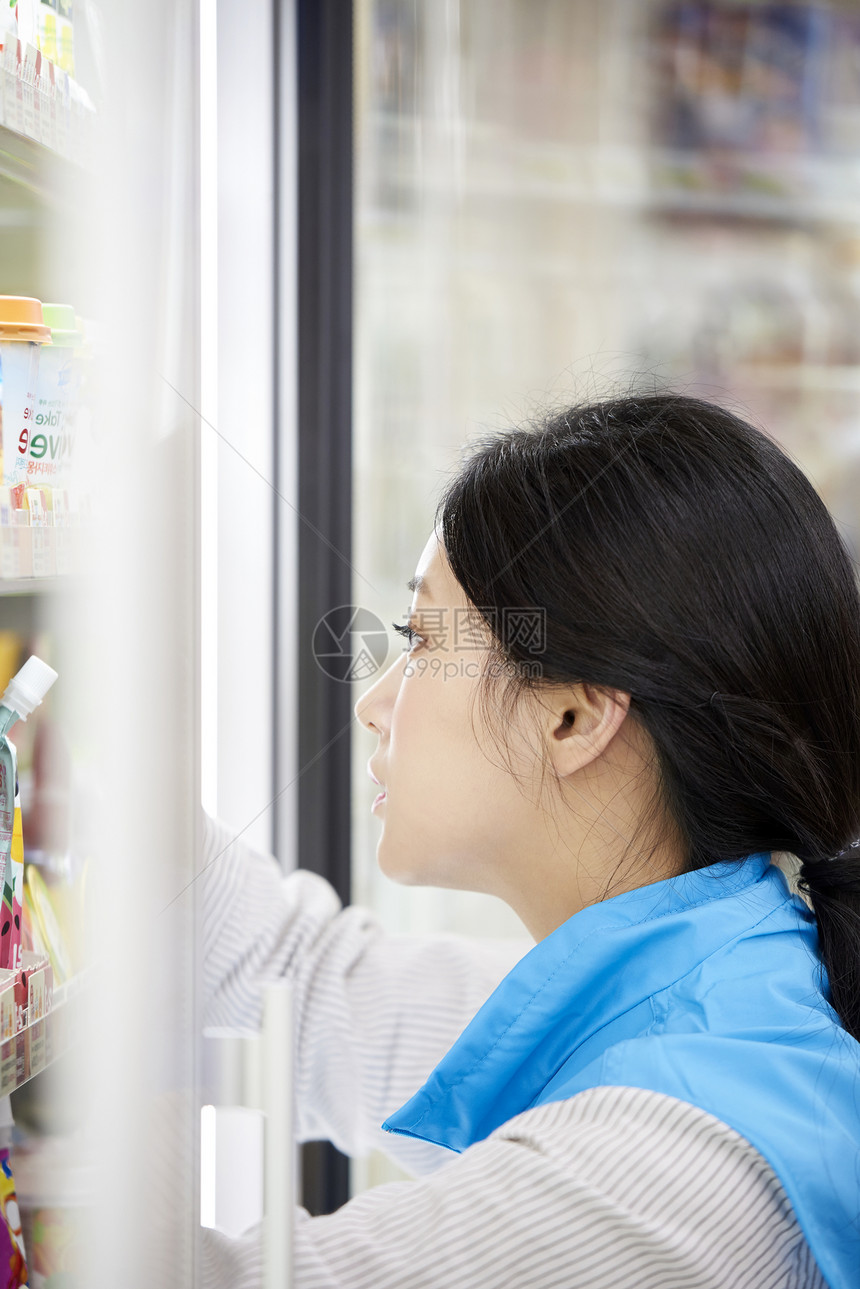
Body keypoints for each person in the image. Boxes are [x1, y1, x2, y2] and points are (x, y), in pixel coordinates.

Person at [201, 393, 860, 1288]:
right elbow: (304, 983)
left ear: (571, 715)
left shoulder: (662, 1171)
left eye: (421, 639)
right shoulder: (720, 981)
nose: (374, 703)